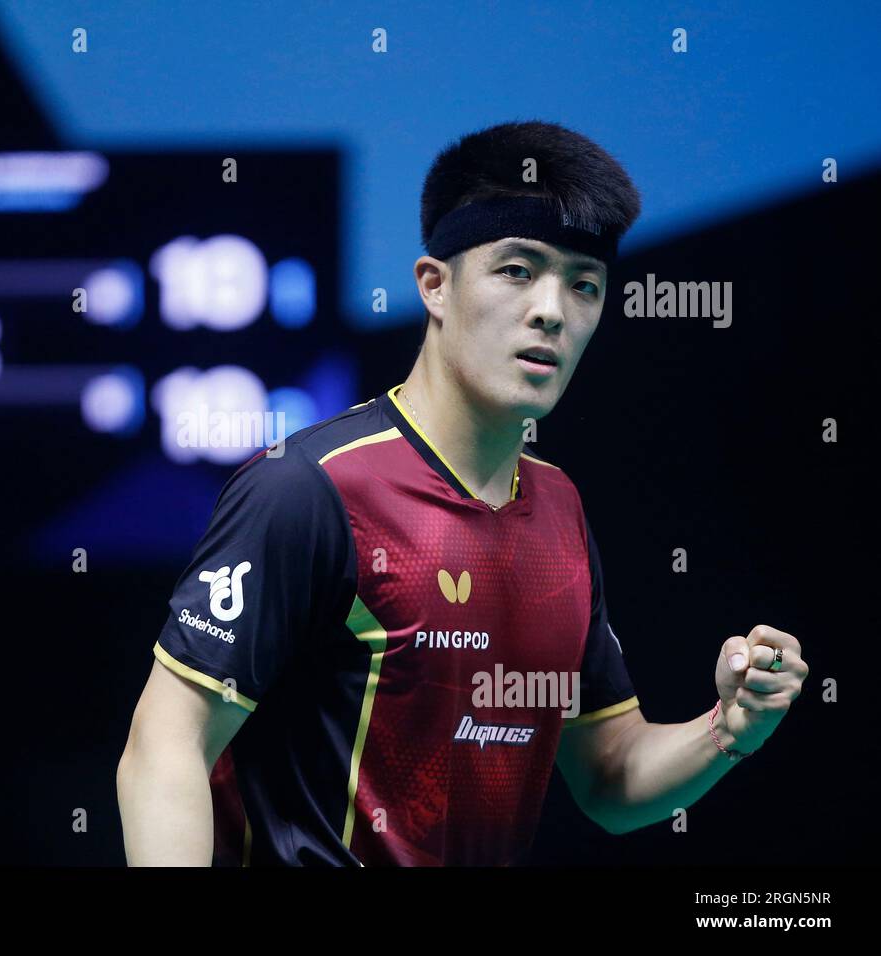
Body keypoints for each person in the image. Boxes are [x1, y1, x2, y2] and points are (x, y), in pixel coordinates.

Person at [116, 120, 808, 866]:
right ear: (435, 285)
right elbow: (165, 746)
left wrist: (728, 730)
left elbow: (610, 776)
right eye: (518, 269)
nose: (552, 309)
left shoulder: (559, 511)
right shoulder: (308, 489)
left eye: (584, 285)